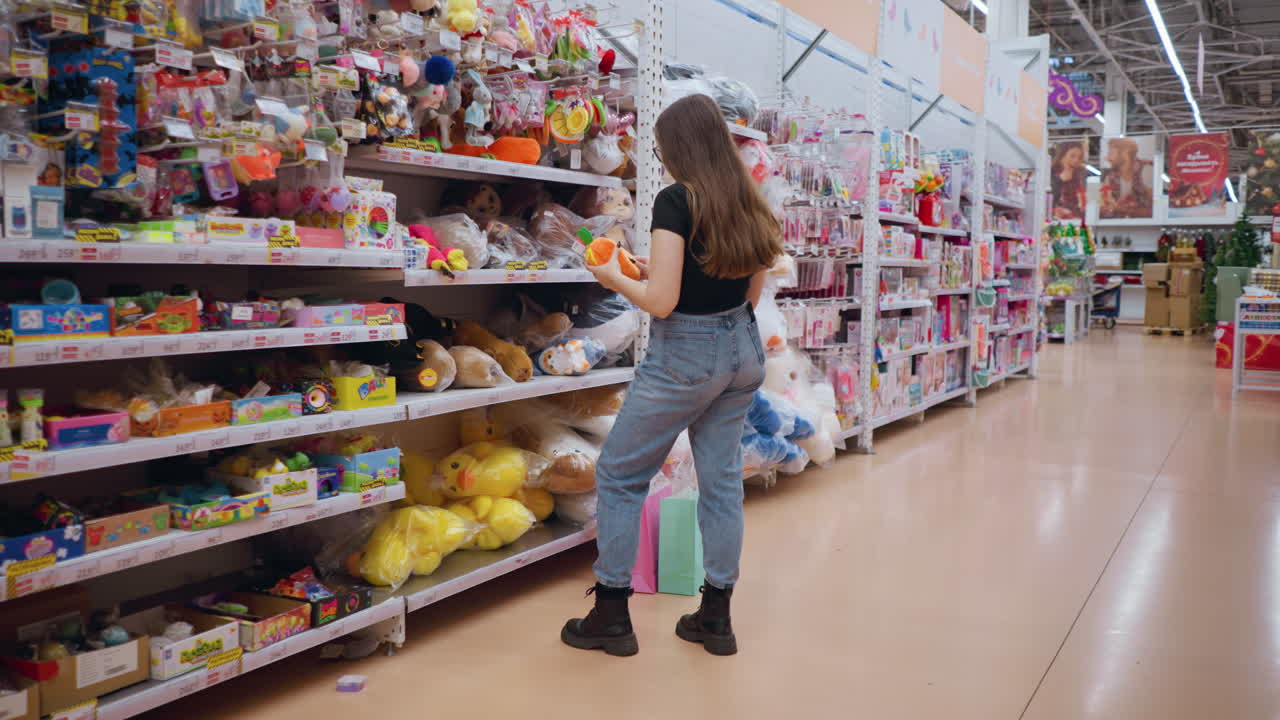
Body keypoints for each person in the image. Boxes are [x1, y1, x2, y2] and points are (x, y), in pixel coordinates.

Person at [560, 94, 782, 657]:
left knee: (619, 474)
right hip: (742, 352)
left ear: (678, 149)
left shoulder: (676, 200)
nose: (660, 160)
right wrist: (648, 274)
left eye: (661, 150)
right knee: (722, 482)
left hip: (685, 355)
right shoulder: (747, 200)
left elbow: (661, 302)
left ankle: (611, 612)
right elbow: (749, 292)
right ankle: (716, 617)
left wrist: (614, 277)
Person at [1100, 138, 1152, 218]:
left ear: (1125, 153)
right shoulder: (1109, 177)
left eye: (1111, 153)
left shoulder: (1146, 170)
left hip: (1145, 228)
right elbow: (1103, 207)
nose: (1108, 158)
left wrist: (1122, 209)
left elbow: (1155, 210)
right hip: (1116, 228)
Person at [1050, 142, 1086, 219]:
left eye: (1079, 158)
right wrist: (1060, 180)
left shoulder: (1079, 179)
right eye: (1072, 156)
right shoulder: (1050, 175)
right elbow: (1046, 201)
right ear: (1061, 157)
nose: (1076, 160)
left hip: (1075, 220)